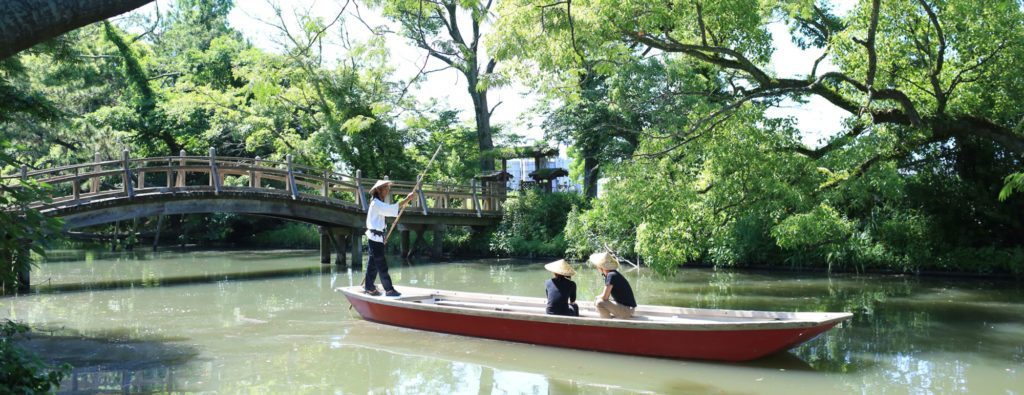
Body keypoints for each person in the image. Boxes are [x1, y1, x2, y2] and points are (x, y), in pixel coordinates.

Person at [363, 179, 415, 297]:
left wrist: (383, 237)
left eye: (388, 189)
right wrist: (407, 199)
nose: (387, 191)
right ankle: (389, 289)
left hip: (377, 238)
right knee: (381, 264)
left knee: (373, 264)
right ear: (379, 190)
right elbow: (390, 209)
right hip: (375, 238)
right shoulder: (376, 203)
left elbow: (381, 221)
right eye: (385, 189)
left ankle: (369, 287)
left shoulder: (377, 203)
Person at [590, 252, 637, 319]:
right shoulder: (613, 274)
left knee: (599, 303)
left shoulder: (610, 275)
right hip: (629, 309)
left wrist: (597, 297)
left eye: (597, 266)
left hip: (627, 310)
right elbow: (605, 296)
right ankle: (607, 318)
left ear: (601, 267)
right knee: (598, 300)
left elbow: (605, 297)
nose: (597, 268)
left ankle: (606, 323)